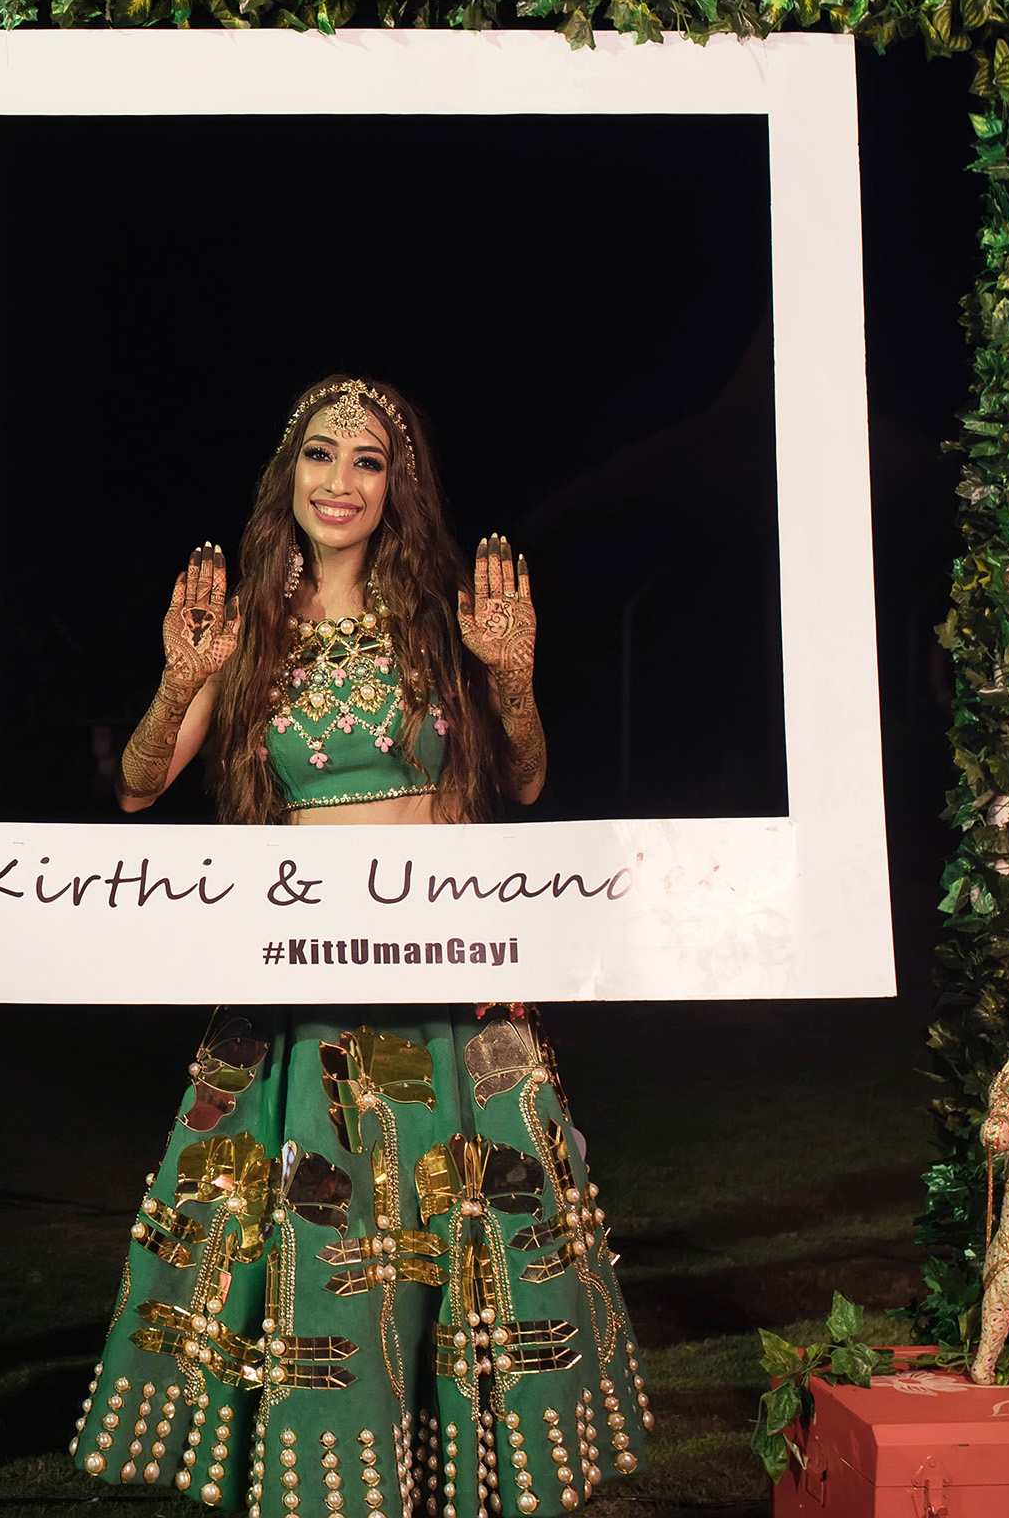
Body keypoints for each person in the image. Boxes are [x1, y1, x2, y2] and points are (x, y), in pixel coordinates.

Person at [71, 376, 647, 1516]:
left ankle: (453, 1459)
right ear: (287, 473)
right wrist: (180, 682)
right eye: (321, 454)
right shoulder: (249, 628)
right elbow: (138, 785)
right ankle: (331, 1459)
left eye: (368, 461)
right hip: (302, 993)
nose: (341, 481)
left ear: (397, 488)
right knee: (324, 1227)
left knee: (456, 1221)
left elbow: (527, 778)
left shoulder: (441, 619)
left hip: (444, 983)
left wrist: (514, 681)